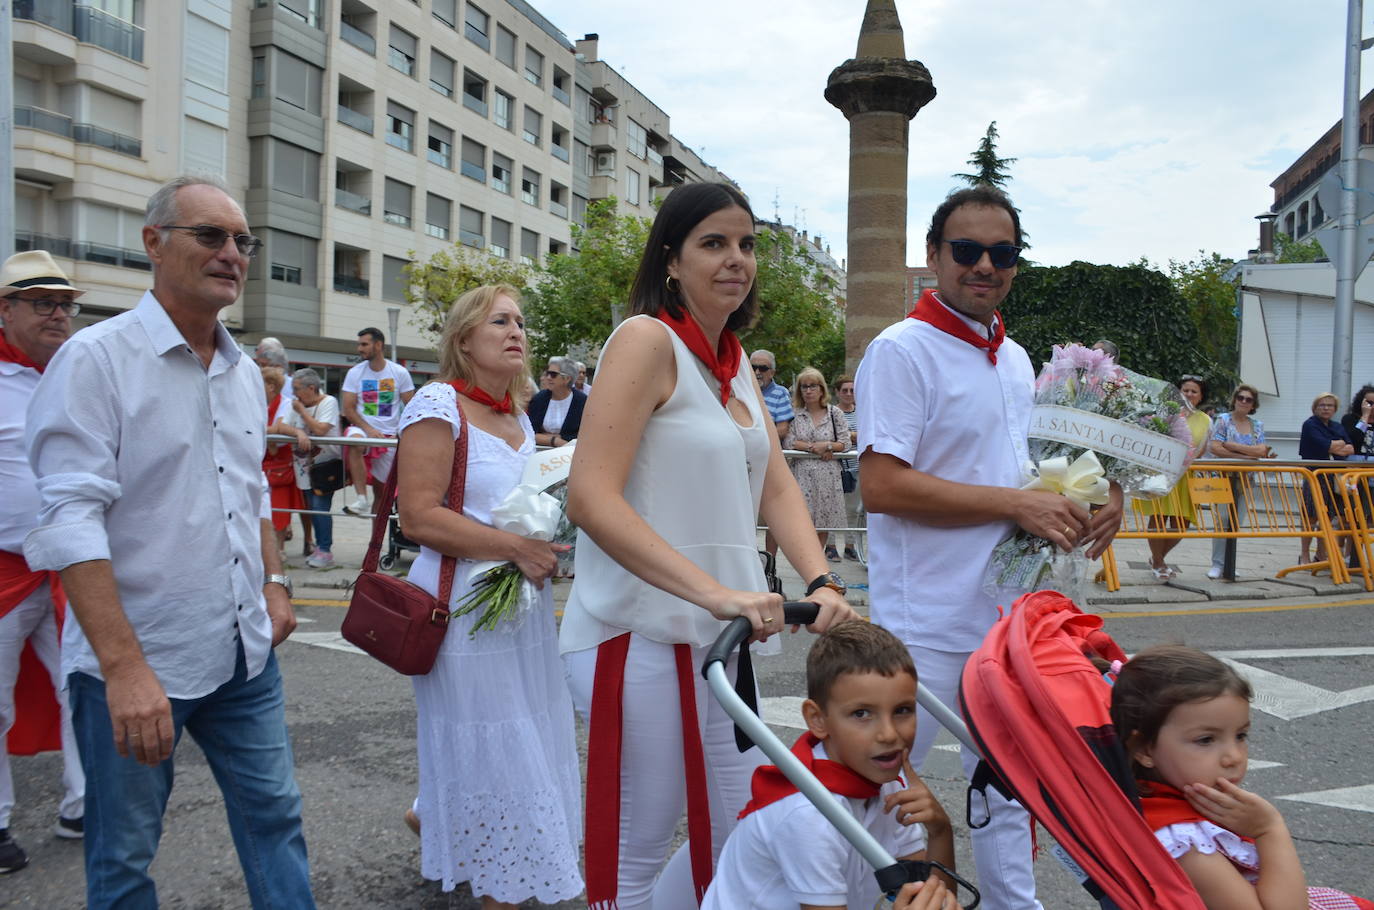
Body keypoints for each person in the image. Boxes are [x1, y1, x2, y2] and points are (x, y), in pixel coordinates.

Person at [560, 182, 857, 910]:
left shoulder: (732, 363)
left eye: (747, 244)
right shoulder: (645, 341)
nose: (737, 260)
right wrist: (716, 591)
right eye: (714, 243)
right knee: (635, 846)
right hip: (636, 633)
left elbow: (777, 484)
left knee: (739, 836)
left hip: (722, 637)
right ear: (670, 259)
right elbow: (589, 495)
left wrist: (822, 580)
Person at [23, 175, 313, 908]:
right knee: (123, 857)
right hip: (138, 660)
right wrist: (123, 670)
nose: (232, 254)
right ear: (153, 243)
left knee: (276, 819)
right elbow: (70, 520)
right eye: (209, 235)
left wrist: (274, 584)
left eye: (242, 241)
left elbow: (247, 494)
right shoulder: (95, 359)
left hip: (243, 656)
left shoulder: (243, 371)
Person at [856, 185, 1124, 910]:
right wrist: (1018, 504)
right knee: (876, 790)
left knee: (1009, 783)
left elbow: (1029, 471)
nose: (984, 265)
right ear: (933, 257)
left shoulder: (1013, 355)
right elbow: (881, 485)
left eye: (1001, 253)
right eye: (966, 250)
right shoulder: (902, 350)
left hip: (1008, 613)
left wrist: (1098, 497)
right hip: (929, 622)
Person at [395, 285, 582, 907]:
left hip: (517, 604)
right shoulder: (437, 403)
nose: (516, 332)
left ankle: (443, 819)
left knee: (522, 731)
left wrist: (542, 538)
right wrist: (514, 548)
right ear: (463, 338)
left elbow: (519, 506)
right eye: (499, 321)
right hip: (461, 607)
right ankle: (500, 887)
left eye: (521, 322)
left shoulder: (515, 415)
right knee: (494, 741)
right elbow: (417, 517)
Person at [702, 621, 958, 910]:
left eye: (902, 710)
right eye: (862, 713)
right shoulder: (808, 817)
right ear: (817, 719)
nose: (889, 734)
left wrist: (940, 830)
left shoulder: (888, 781)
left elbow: (931, 897)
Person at [1111, 645, 1373, 909]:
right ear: (1145, 749)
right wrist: (1270, 830)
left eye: (1240, 736)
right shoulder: (1184, 843)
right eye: (1206, 740)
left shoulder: (1176, 806)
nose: (1234, 756)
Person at [0, 251, 86, 873]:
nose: (58, 314)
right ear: (5, 310)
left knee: (85, 686)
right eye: (42, 303)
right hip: (3, 569)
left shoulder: (80, 371)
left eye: (65, 304)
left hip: (73, 563)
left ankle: (86, 804)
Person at [1135, 375, 1213, 579]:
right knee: (1158, 519)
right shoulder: (1165, 412)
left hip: (1186, 476)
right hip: (1162, 474)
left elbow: (1203, 448)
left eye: (1194, 391)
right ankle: (1159, 562)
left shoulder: (1205, 419)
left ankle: (1158, 557)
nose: (1189, 394)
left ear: (1200, 396)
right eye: (1185, 390)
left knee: (1181, 525)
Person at [341, 326, 415, 516]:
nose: (359, 349)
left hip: (389, 437)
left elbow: (413, 406)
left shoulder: (399, 372)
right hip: (363, 430)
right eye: (359, 344)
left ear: (378, 345)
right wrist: (369, 429)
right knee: (354, 441)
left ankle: (377, 542)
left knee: (382, 496)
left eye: (364, 344)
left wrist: (403, 430)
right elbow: (348, 408)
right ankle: (361, 499)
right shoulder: (355, 372)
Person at [1208, 384, 1276, 580]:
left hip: (1246, 479)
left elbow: (1262, 451)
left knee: (1237, 521)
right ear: (1235, 399)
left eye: (1249, 399)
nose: (1244, 402)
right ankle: (1217, 563)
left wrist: (1233, 447)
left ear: (1254, 404)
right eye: (1241, 397)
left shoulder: (1257, 425)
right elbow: (1215, 448)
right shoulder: (1223, 420)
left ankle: (1230, 562)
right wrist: (1247, 453)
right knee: (1222, 519)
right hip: (1223, 477)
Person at [784, 367, 848, 562]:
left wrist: (828, 445)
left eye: (813, 386)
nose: (808, 390)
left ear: (821, 389)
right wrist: (815, 447)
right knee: (803, 521)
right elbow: (789, 442)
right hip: (802, 475)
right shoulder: (795, 414)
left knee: (824, 520)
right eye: (804, 387)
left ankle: (817, 562)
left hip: (828, 475)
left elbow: (845, 443)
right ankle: (808, 561)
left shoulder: (834, 413)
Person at [285, 368, 341, 569]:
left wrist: (301, 413)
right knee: (311, 508)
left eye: (297, 388)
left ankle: (325, 550)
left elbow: (320, 429)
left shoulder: (329, 402)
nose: (294, 394)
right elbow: (282, 425)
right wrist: (298, 432)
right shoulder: (296, 404)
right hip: (304, 468)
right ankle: (319, 547)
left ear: (311, 388)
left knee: (320, 507)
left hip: (325, 467)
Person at [1297, 393, 1354, 566]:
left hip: (1334, 477)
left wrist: (1335, 446)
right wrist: (1337, 445)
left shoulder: (1337, 426)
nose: (1326, 408)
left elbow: (1350, 448)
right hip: (1315, 476)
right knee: (1311, 517)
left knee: (1328, 518)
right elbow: (1325, 445)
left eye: (1330, 405)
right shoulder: (1310, 424)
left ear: (1335, 409)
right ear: (1315, 408)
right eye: (1322, 405)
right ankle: (1304, 554)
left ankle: (1321, 556)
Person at [751, 349, 794, 560]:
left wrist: (752, 437)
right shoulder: (740, 389)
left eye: (763, 368)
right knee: (744, 513)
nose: (757, 372)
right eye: (753, 367)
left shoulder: (781, 393)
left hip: (769, 461)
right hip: (744, 461)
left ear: (772, 372)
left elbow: (783, 429)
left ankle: (770, 562)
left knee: (772, 516)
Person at [262, 365, 308, 556]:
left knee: (280, 508)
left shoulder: (286, 403)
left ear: (271, 386)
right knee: (264, 506)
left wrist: (263, 427)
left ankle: (279, 548)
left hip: (280, 461)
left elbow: (278, 427)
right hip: (265, 458)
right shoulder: (259, 402)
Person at [527, 355, 586, 447]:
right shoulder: (539, 399)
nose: (548, 377)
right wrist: (554, 440)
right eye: (547, 373)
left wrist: (544, 436)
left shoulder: (582, 401)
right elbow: (529, 432)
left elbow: (583, 435)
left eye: (553, 374)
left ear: (567, 379)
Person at [833, 375, 863, 561]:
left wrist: (849, 436)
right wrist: (853, 436)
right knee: (833, 508)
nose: (848, 394)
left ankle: (850, 546)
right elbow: (836, 436)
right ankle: (830, 545)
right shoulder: (832, 412)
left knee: (853, 509)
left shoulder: (861, 412)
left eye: (852, 390)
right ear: (837, 392)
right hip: (836, 466)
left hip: (857, 467)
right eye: (844, 390)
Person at [1341, 384, 1374, 463]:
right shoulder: (1350, 419)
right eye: (1370, 403)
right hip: (1356, 461)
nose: (1372, 407)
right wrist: (1365, 416)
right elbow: (1354, 438)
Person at [253, 336, 293, 401]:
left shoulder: (295, 388)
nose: (260, 369)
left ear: (278, 367)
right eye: (258, 364)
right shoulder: (257, 385)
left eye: (263, 365)